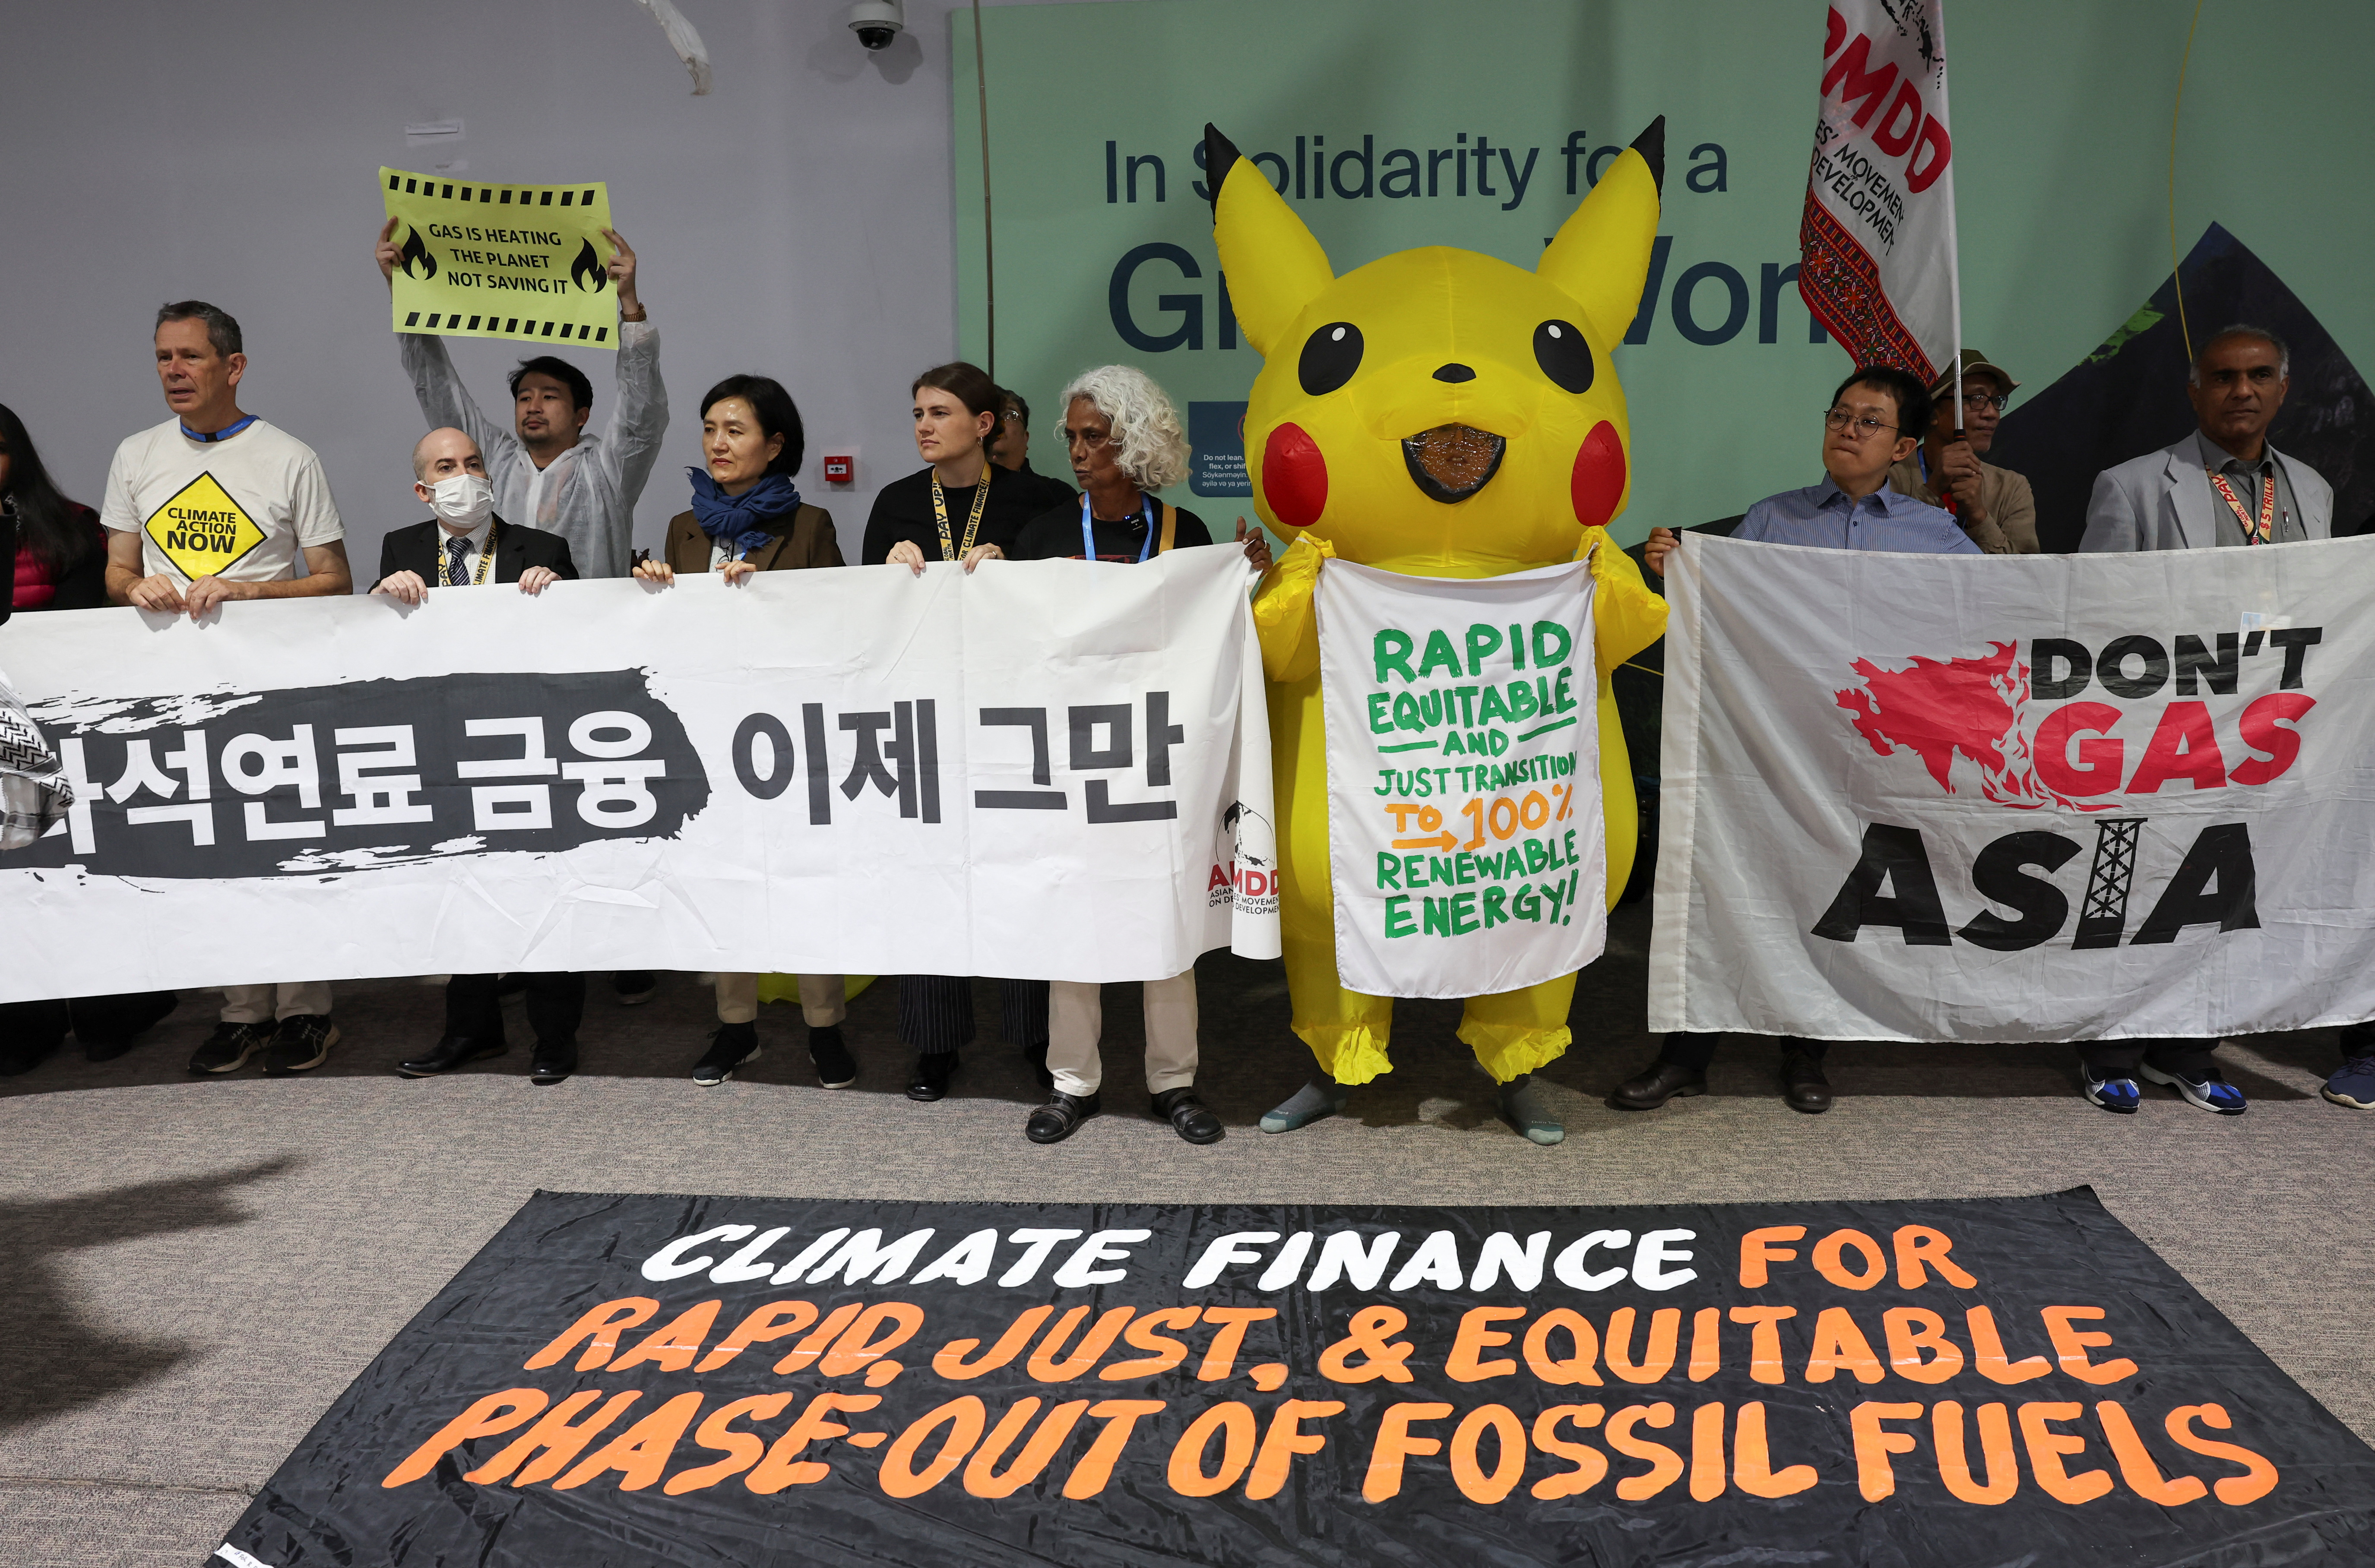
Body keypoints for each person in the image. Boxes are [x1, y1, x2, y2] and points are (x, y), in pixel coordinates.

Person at [1627, 365, 1973, 1115]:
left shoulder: (1935, 537)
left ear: (1905, 445)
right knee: (1722, 888)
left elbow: (1980, 628)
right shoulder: (1771, 518)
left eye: (1869, 421)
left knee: (1824, 895)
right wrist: (1671, 574)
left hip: (1862, 754)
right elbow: (1719, 620)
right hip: (1763, 744)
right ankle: (1687, 1055)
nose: (1847, 430)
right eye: (1840, 414)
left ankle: (1806, 1051)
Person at [377, 220, 669, 1005]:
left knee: (606, 811)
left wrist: (628, 303)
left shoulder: (609, 465)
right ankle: (519, 949)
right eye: (524, 396)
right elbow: (440, 394)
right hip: (500, 666)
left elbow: (643, 411)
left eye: (550, 396)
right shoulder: (491, 465)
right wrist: (404, 288)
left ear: (580, 411)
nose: (532, 406)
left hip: (590, 663)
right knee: (516, 811)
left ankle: (626, 941)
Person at [1007, 365, 1272, 1144]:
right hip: (1073, 759)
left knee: (1169, 919)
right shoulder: (1047, 534)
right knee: (1073, 922)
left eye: (1097, 436)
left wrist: (1241, 583)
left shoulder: (1183, 532)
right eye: (1074, 437)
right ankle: (1072, 1083)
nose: (1080, 451)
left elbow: (1208, 636)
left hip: (1161, 759)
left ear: (1137, 441)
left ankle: (1173, 1081)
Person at [2075, 324, 2336, 1115]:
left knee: (2226, 895)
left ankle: (2189, 1050)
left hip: (2268, 734)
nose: (2242, 391)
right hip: (2163, 728)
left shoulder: (2314, 489)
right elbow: (2093, 616)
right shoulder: (2134, 485)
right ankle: (2108, 1046)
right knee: (2138, 886)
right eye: (2224, 378)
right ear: (2196, 392)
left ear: (2283, 389)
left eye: (2259, 376)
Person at [99, 300, 352, 1078]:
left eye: (190, 357)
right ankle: (242, 1012)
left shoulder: (289, 457)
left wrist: (246, 590)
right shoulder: (137, 455)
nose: (173, 371)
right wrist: (134, 588)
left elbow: (335, 579)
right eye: (163, 358)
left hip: (276, 687)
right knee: (219, 845)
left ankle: (308, 1010)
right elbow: (116, 569)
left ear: (233, 367)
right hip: (180, 687)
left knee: (290, 842)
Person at [630, 374, 857, 1089]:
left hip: (792, 734)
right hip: (706, 735)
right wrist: (653, 589)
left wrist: (775, 602)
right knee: (724, 879)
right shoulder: (682, 527)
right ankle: (735, 1026)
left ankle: (826, 1026)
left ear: (775, 442)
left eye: (735, 429)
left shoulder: (812, 523)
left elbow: (845, 628)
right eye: (709, 429)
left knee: (805, 880)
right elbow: (659, 637)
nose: (718, 443)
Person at [863, 362, 1072, 1099]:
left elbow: (1068, 606)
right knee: (929, 875)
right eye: (918, 411)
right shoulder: (894, 503)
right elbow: (863, 622)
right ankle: (934, 1044)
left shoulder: (1042, 501)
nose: (923, 424)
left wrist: (1016, 568)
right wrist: (884, 575)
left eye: (941, 412)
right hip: (924, 717)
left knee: (1021, 870)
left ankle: (1037, 1035)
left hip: (1014, 715)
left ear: (984, 425)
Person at [373, 428, 586, 1084]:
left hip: (529, 742)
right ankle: (470, 1030)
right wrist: (383, 596)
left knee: (543, 885)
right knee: (461, 887)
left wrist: (562, 593)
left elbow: (585, 643)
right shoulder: (400, 548)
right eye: (446, 466)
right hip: (442, 743)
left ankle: (554, 1038)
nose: (463, 475)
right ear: (423, 489)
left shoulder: (541, 548)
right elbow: (372, 646)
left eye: (471, 463)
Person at [0, 403, 177, 1074]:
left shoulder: (69, 528)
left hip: (67, 729)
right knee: (14, 882)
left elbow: (83, 628)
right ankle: (26, 1023)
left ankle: (114, 1009)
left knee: (88, 868)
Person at [1885, 350, 2037, 553]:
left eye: (1996, 400)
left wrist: (1978, 515)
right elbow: (1880, 555)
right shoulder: (1886, 478)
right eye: (1977, 398)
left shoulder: (2012, 488)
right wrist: (1932, 492)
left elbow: (2025, 576)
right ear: (1931, 413)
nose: (1992, 413)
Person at [986, 389, 1080, 513]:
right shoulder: (961, 491)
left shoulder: (1057, 495)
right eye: (991, 416)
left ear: (1026, 438)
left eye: (1009, 415)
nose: (998, 423)